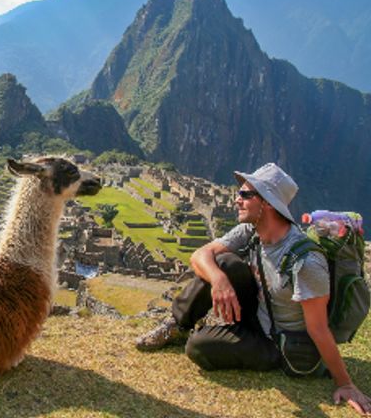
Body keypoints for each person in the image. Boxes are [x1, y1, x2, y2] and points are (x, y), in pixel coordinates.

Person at [135, 163, 371, 416]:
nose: (237, 200)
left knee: (199, 347)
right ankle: (177, 326)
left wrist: (345, 384)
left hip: (278, 342)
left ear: (267, 203)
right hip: (257, 314)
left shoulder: (306, 262)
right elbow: (200, 255)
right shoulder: (251, 231)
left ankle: (211, 337)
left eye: (246, 195)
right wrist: (219, 281)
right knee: (223, 263)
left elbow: (318, 329)